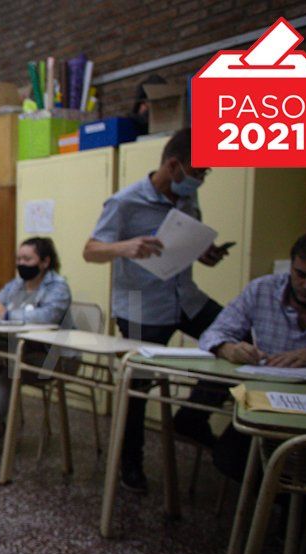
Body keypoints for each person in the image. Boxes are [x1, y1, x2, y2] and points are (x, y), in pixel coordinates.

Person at [83, 127, 232, 493]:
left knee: (237, 340)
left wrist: (206, 253)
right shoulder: (125, 202)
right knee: (138, 387)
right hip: (140, 303)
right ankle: (130, 462)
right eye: (198, 171)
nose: (201, 178)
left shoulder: (187, 201)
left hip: (185, 296)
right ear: (174, 164)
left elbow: (186, 242)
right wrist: (125, 247)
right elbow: (90, 250)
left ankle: (191, 419)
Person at [198, 231, 306, 480]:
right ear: (292, 265)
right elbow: (214, 333)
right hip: (267, 402)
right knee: (230, 458)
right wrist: (228, 348)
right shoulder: (262, 290)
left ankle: (296, 507)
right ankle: (284, 507)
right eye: (300, 274)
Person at [0, 237, 73, 444]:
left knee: (10, 370)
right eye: (19, 259)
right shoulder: (17, 284)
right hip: (19, 349)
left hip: (50, 356)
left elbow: (47, 316)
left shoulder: (58, 287)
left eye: (27, 259)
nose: (21, 264)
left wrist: (8, 314)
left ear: (45, 262)